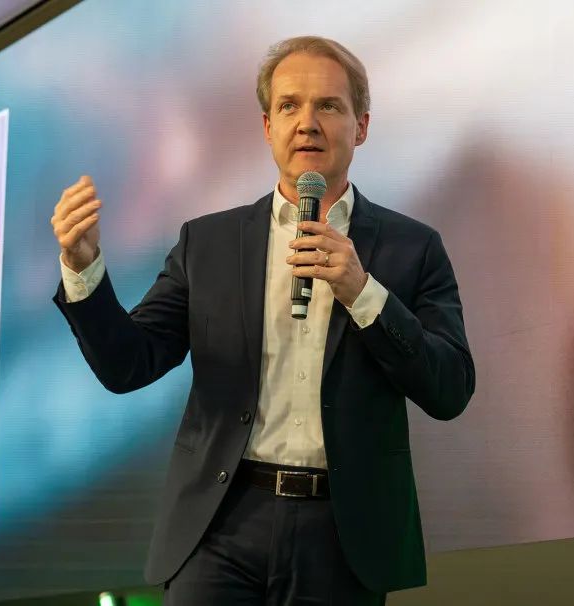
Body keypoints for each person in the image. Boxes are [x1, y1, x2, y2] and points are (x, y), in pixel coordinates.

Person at [52, 36, 474, 605]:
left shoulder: (413, 248)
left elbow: (450, 389)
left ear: (361, 127)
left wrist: (363, 293)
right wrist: (84, 270)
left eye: (329, 106)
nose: (307, 123)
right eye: (289, 105)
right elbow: (128, 364)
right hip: (221, 524)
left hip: (344, 535)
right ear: (268, 127)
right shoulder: (208, 242)